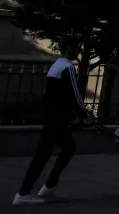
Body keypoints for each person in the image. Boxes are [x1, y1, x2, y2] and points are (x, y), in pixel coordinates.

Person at [13, 44, 91, 205]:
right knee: (44, 154)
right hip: (57, 117)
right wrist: (84, 113)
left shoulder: (56, 65)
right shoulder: (67, 67)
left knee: (68, 148)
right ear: (70, 50)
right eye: (77, 49)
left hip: (51, 115)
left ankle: (49, 186)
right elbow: (74, 94)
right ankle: (24, 193)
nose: (78, 52)